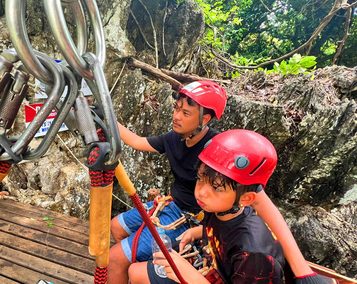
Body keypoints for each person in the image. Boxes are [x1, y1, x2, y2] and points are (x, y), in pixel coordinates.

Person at [108, 81, 330, 284]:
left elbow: (262, 203)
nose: (177, 116)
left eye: (186, 112)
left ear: (204, 119)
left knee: (119, 260)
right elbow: (136, 141)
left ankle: (131, 262)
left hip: (189, 219)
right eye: (177, 109)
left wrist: (303, 272)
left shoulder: (222, 151)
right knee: (116, 228)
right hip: (182, 215)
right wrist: (107, 117)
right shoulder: (177, 140)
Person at [129, 130, 336, 284]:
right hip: (213, 270)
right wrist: (195, 233)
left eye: (216, 188)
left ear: (246, 199)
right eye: (200, 180)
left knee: (137, 274)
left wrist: (188, 274)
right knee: (135, 272)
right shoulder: (220, 210)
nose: (201, 192)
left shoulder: (255, 255)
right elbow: (221, 233)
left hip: (208, 277)